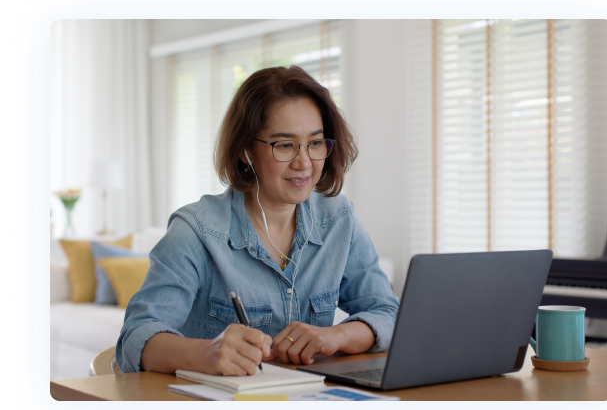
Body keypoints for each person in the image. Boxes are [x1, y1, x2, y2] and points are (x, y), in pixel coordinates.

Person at [116, 65, 400, 376]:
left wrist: (337, 335)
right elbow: (136, 337)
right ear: (245, 150)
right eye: (285, 145)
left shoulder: (339, 219)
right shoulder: (196, 231)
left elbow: (387, 311)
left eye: (315, 143)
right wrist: (206, 353)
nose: (304, 163)